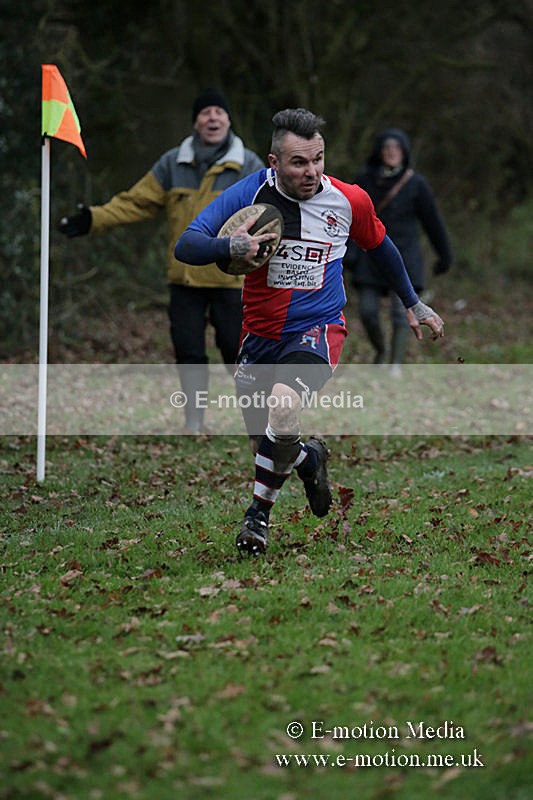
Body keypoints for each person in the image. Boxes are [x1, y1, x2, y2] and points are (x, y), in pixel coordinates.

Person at [174, 108, 445, 556]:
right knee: (268, 441)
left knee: (283, 407)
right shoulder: (248, 193)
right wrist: (230, 245)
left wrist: (412, 302)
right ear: (274, 162)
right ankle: (309, 458)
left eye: (318, 158)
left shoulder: (348, 199)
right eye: (299, 162)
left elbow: (381, 246)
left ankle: (257, 519)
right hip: (259, 334)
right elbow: (187, 243)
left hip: (319, 327)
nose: (312, 171)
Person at [58, 88, 265, 433]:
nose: (212, 117)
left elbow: (269, 215)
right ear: (195, 121)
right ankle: (194, 422)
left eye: (219, 111)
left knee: (237, 353)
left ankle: (254, 421)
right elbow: (135, 202)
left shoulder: (250, 165)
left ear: (229, 120)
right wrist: (93, 219)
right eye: (205, 112)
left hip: (232, 279)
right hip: (184, 279)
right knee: (188, 353)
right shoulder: (173, 162)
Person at [347, 128, 452, 375]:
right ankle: (381, 352)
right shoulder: (365, 180)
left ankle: (395, 363)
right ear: (379, 152)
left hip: (405, 256)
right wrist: (348, 251)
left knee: (401, 312)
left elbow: (432, 221)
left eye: (396, 148)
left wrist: (444, 255)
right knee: (367, 311)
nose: (391, 152)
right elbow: (350, 217)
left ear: (404, 152)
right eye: (386, 148)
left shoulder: (416, 183)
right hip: (370, 257)